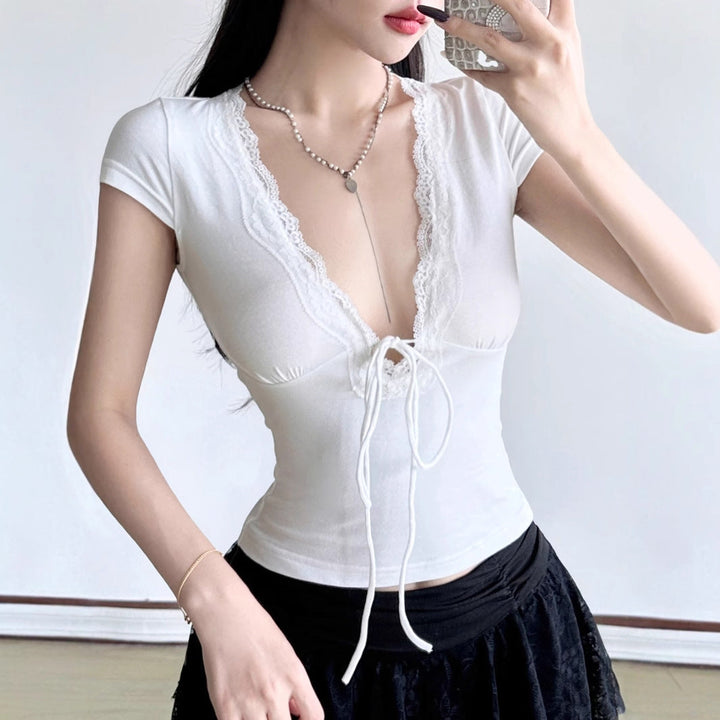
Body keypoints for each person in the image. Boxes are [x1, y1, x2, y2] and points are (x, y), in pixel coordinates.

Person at [66, 0, 720, 718]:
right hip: (290, 646)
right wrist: (215, 599)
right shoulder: (168, 148)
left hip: (516, 636)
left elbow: (700, 304)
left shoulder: (482, 120)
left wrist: (576, 132)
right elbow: (100, 416)